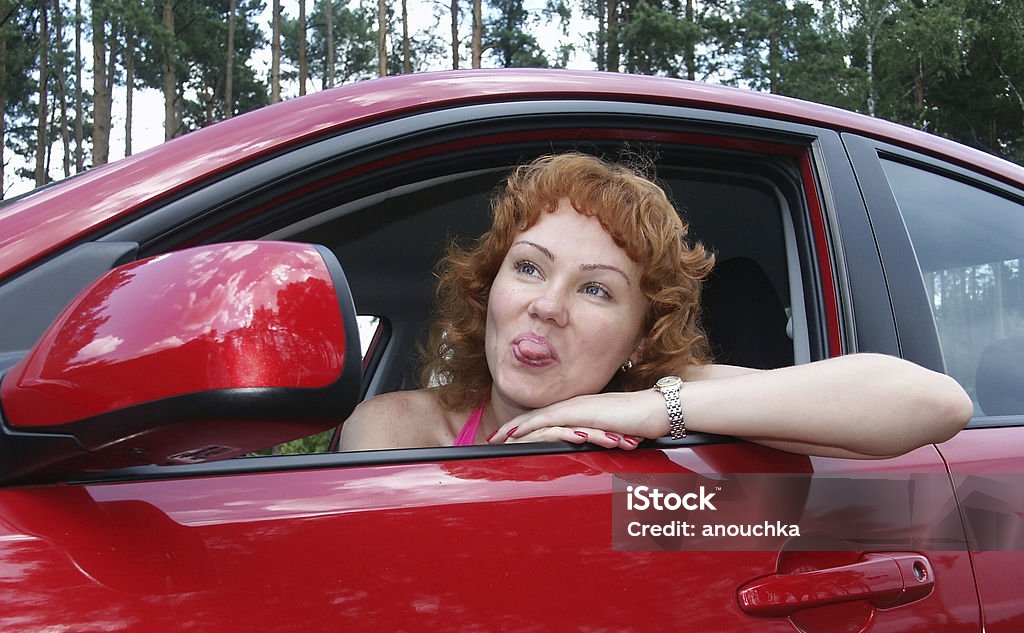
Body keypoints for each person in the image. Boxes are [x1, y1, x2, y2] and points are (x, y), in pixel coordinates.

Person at [340, 152, 972, 458]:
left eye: (595, 288)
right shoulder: (394, 430)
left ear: (642, 336)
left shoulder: (663, 395)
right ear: (490, 289)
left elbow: (933, 403)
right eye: (529, 268)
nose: (547, 306)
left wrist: (645, 409)